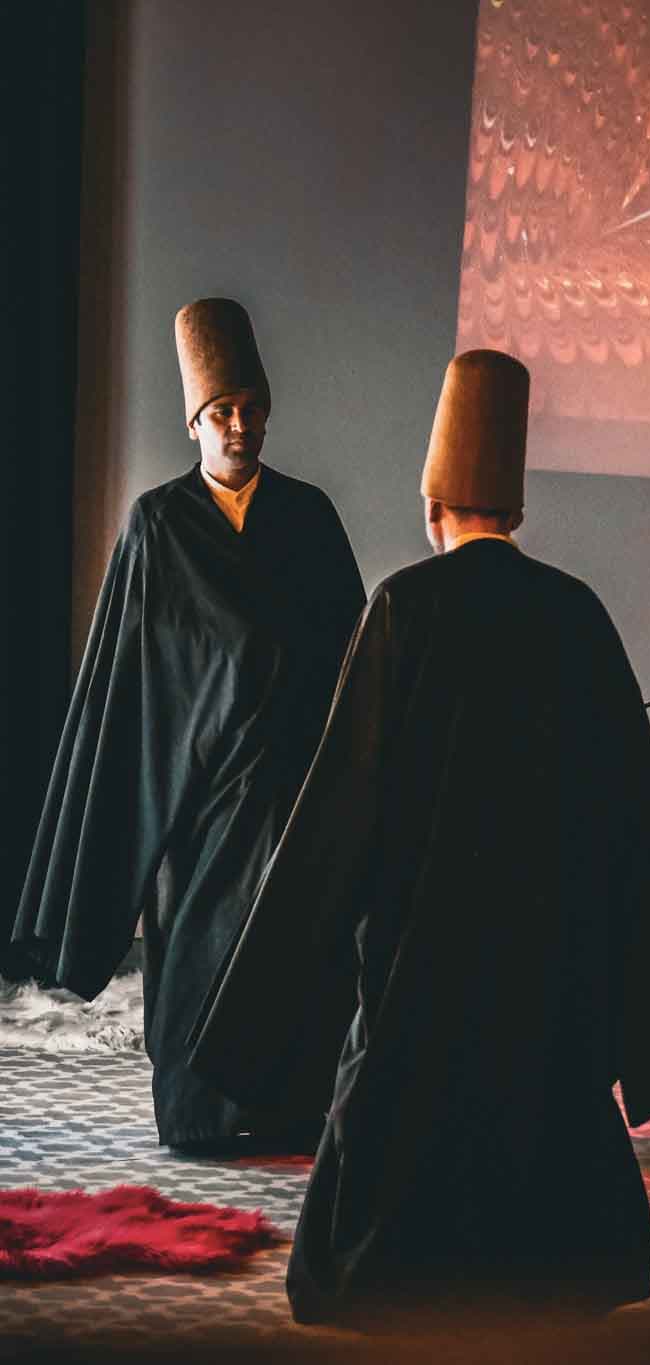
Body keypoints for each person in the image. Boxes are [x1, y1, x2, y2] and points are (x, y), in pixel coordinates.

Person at [189, 350, 650, 1325]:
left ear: (432, 509)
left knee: (389, 1136)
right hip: (549, 963)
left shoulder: (403, 610)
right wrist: (629, 1010)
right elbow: (629, 806)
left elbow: (340, 812)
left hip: (425, 958)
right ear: (516, 510)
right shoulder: (576, 613)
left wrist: (256, 1022)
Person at [6, 298, 363, 1154]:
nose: (238, 424)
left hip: (290, 803)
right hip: (194, 811)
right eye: (220, 412)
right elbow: (120, 690)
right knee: (200, 970)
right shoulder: (157, 527)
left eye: (250, 407)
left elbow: (355, 660)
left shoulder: (309, 518)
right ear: (194, 422)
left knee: (300, 967)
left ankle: (290, 1110)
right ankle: (202, 1115)